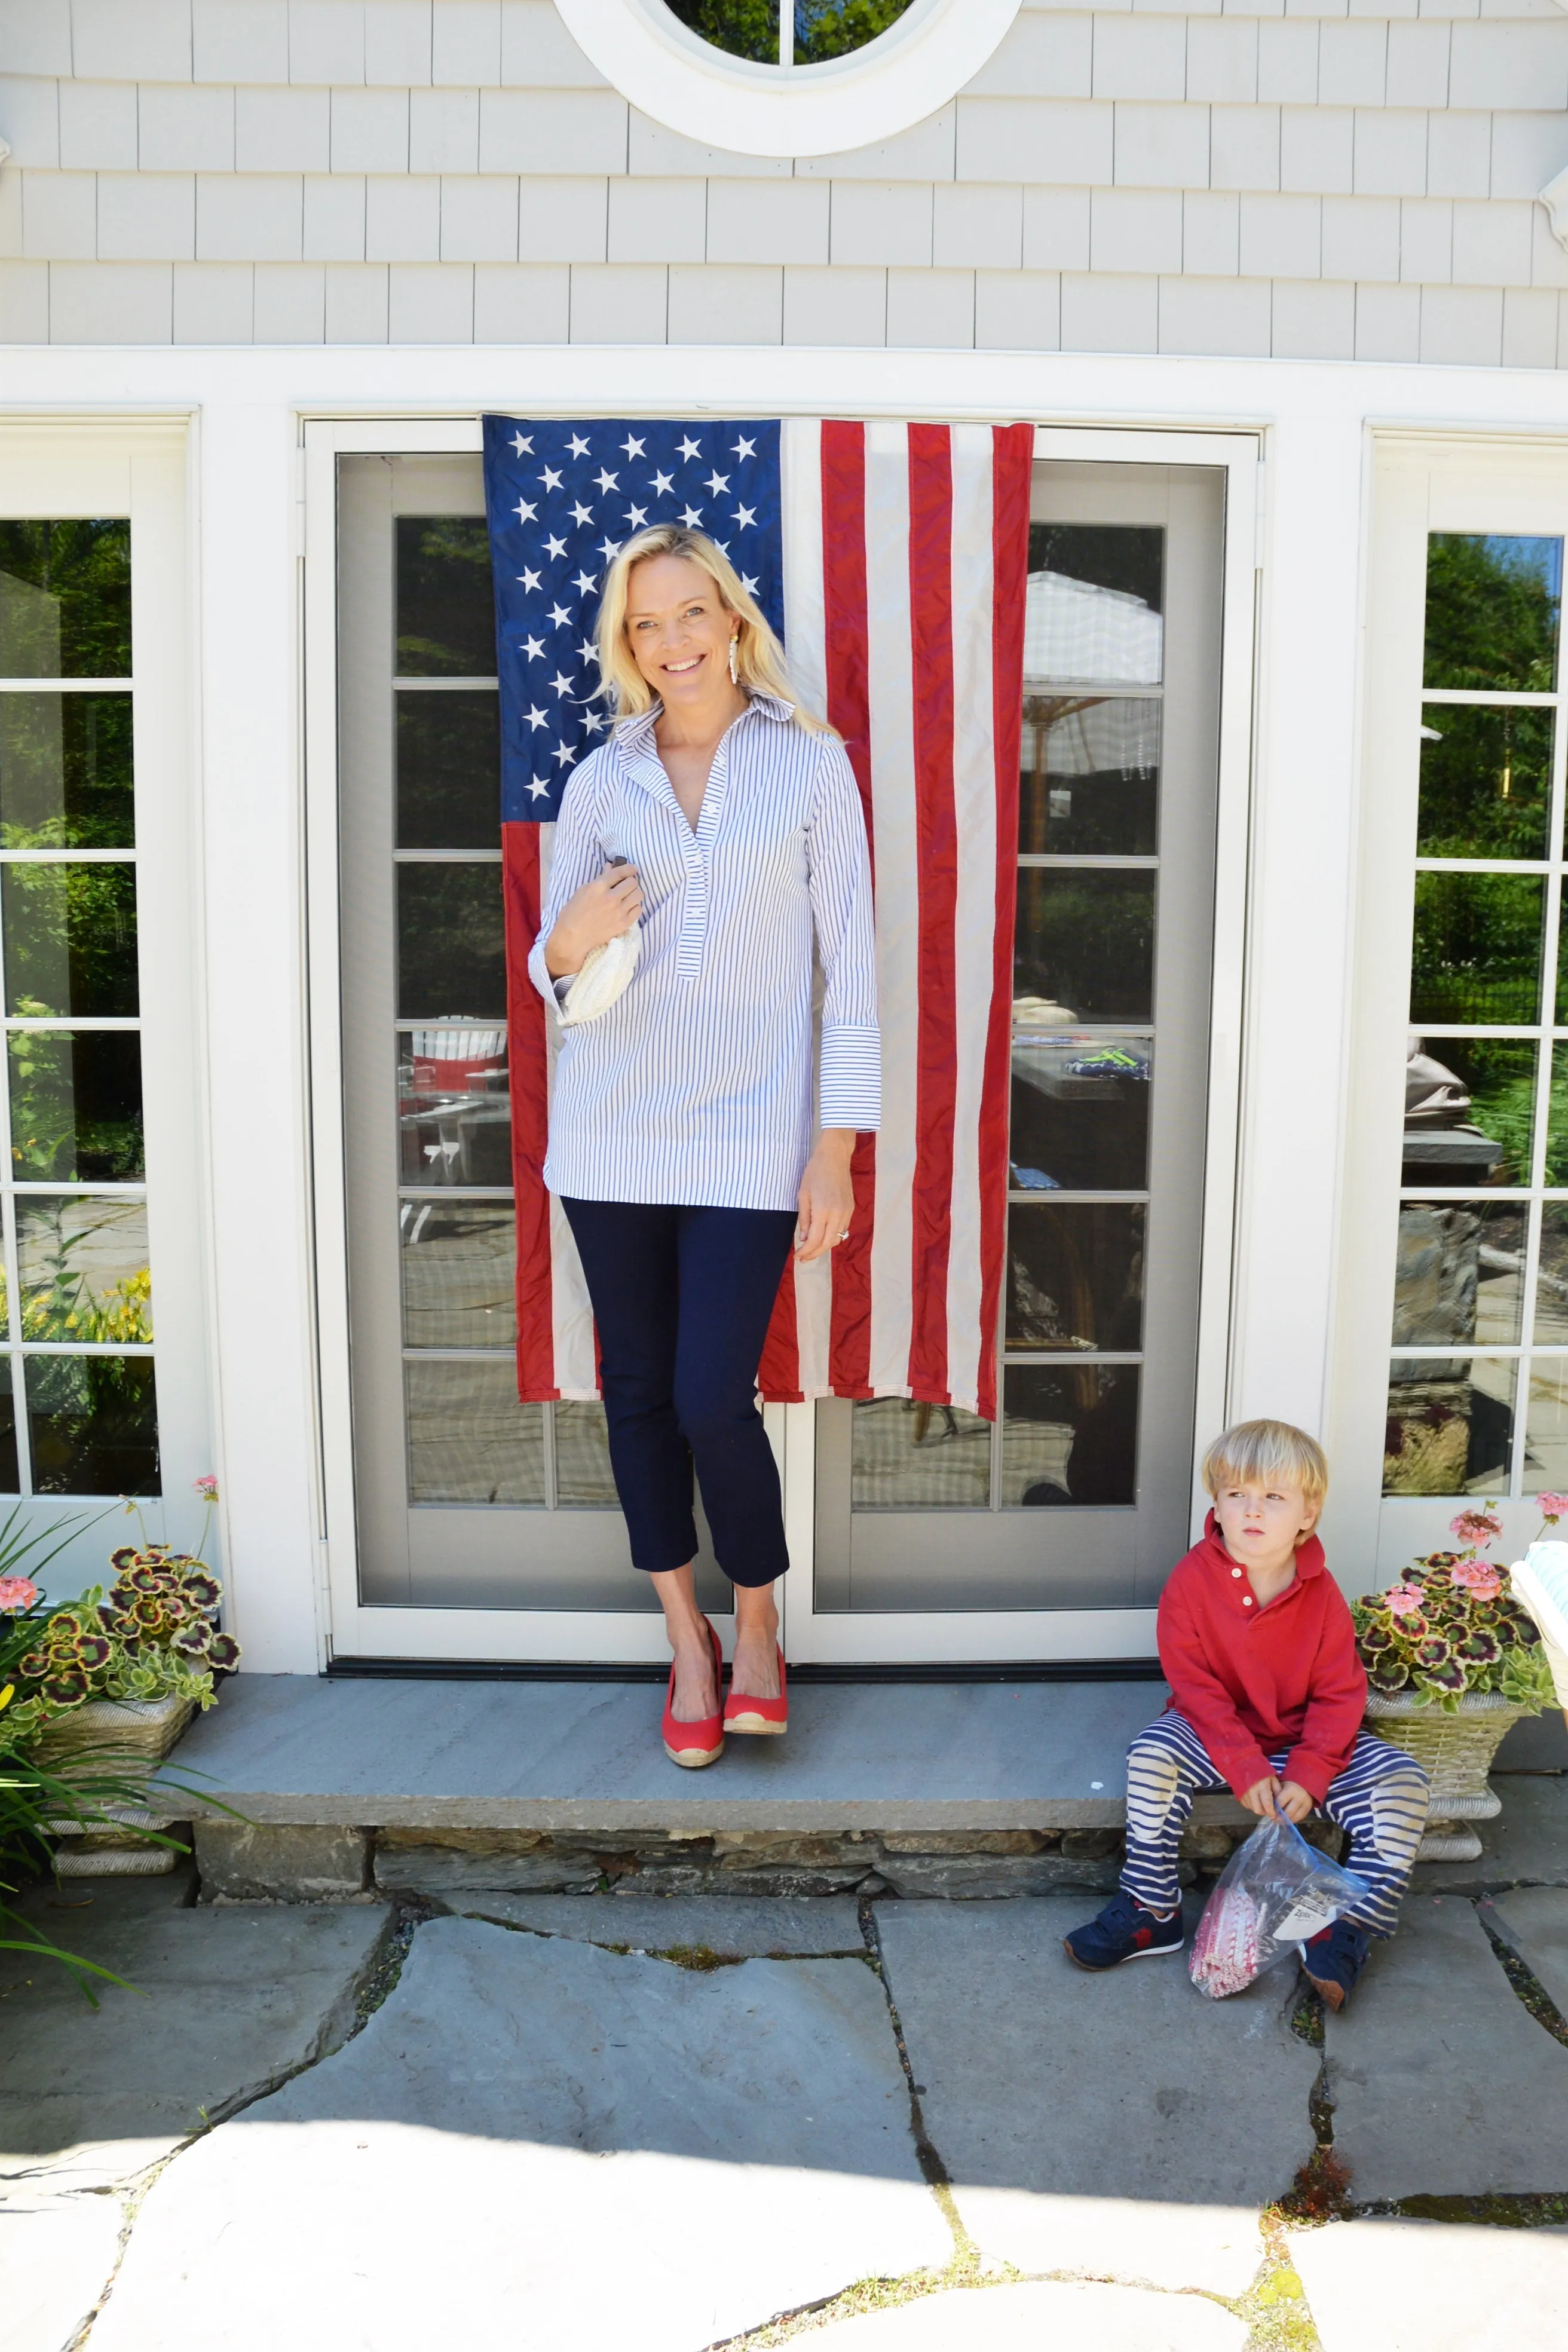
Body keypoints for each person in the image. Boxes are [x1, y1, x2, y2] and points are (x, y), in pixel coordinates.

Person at [529, 525, 879, 1769]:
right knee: (635, 1396)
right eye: (644, 626)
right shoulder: (600, 780)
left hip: (748, 1139)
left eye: (690, 614)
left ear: (732, 619)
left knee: (708, 1398)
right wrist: (565, 938)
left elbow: (852, 973)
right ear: (625, 648)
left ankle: (759, 1624)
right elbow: (550, 977)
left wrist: (833, 1150)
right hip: (611, 1137)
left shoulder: (809, 765)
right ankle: (685, 1642)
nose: (671, 642)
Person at [1063, 1419, 1430, 2010]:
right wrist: (1242, 1764)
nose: (1251, 1511)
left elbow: (1339, 1693)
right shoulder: (1189, 1583)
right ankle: (1151, 1908)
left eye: (1273, 1497)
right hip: (1214, 1732)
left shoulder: (1320, 1593)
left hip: (1304, 1737)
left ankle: (1343, 1925)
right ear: (1217, 1503)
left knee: (1404, 1783)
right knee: (1153, 1755)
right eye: (1236, 1495)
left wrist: (1310, 1773)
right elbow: (1195, 1687)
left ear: (1306, 1515)